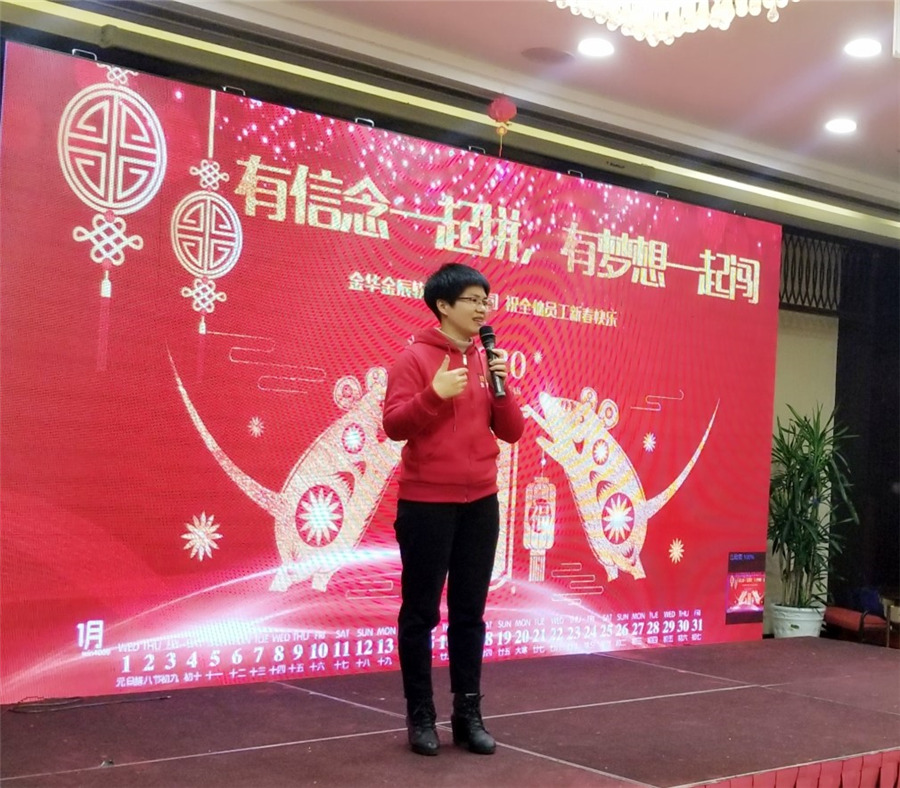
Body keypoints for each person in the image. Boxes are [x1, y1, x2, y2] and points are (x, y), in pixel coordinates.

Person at [382, 262, 525, 756]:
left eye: (487, 300)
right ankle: (421, 715)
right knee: (420, 613)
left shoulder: (487, 360)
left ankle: (468, 715)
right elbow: (394, 425)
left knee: (470, 614)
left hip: (481, 503)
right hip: (426, 505)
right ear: (443, 305)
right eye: (473, 300)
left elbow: (512, 433)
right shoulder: (414, 359)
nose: (483, 309)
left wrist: (503, 388)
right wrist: (433, 395)